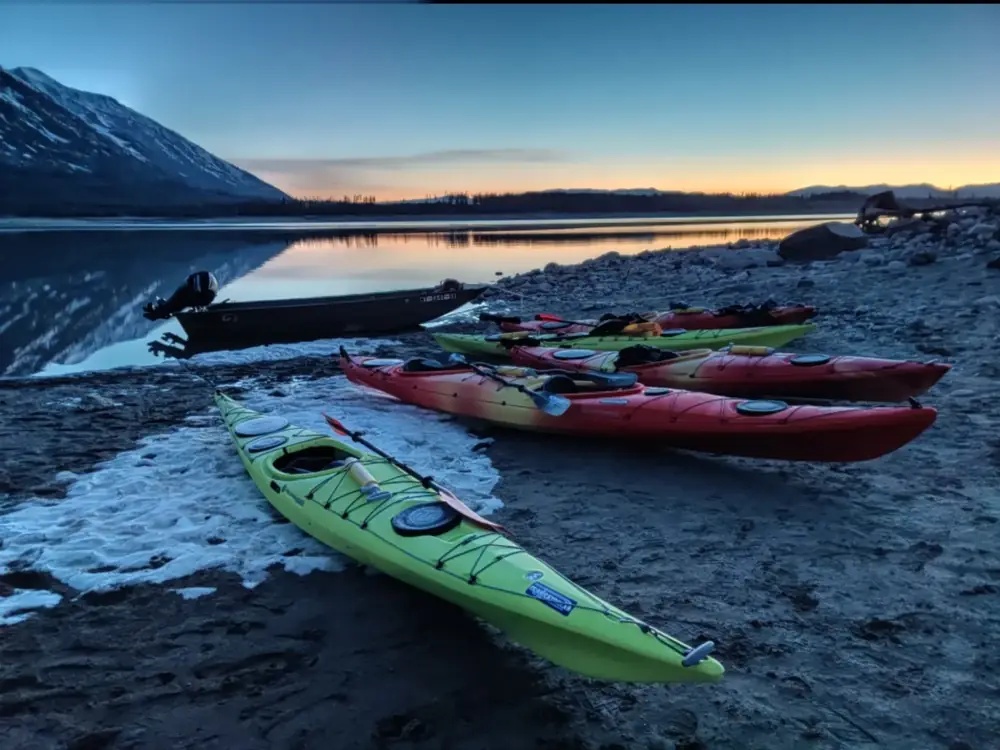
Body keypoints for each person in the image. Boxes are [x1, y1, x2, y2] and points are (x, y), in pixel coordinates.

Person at [143, 271, 220, 320]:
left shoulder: (190, 290)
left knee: (176, 303)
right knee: (177, 303)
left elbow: (182, 300)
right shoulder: (193, 287)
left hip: (202, 288)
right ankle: (159, 311)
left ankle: (159, 312)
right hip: (205, 288)